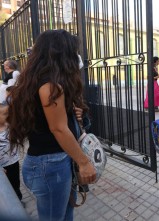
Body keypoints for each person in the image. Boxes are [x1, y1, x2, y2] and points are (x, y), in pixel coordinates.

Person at [7, 29, 96, 221]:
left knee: (65, 215)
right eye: (72, 51)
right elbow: (58, 128)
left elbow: (49, 120)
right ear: (61, 54)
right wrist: (84, 162)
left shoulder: (41, 81)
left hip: (52, 163)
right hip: (50, 166)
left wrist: (72, 112)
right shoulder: (50, 86)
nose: (76, 57)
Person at [0, 104, 22, 201]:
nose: (8, 116)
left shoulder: (9, 126)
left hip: (14, 161)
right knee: (7, 187)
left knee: (15, 182)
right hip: (3, 167)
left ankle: (19, 198)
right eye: (5, 114)